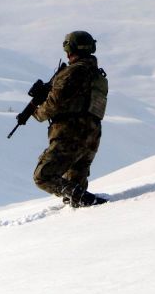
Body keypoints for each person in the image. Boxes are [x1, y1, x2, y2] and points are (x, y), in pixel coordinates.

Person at [32, 31, 109, 208]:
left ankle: (100, 205)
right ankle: (96, 212)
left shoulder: (73, 72)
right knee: (74, 196)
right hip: (91, 136)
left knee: (43, 176)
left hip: (70, 134)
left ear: (70, 49)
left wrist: (37, 112)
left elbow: (54, 104)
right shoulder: (97, 75)